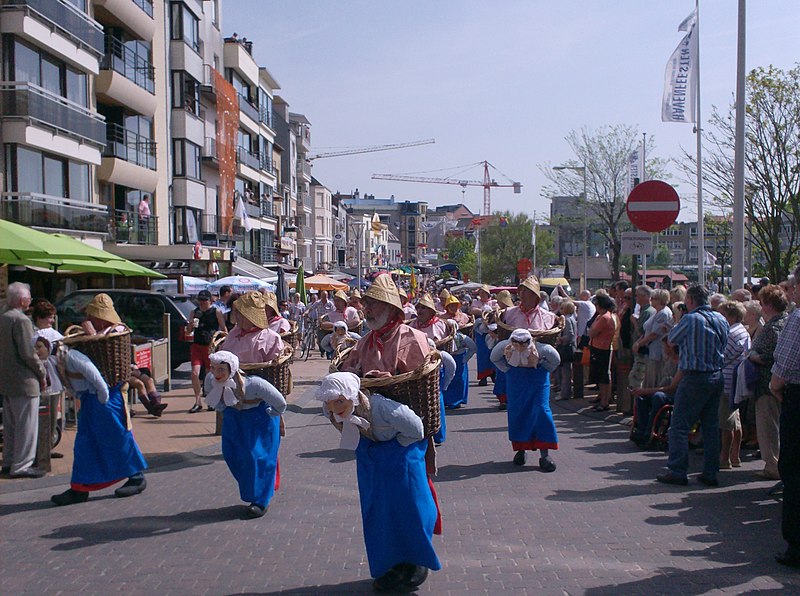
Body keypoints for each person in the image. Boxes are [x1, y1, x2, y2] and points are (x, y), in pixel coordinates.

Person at [316, 372, 440, 591]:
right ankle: (392, 562)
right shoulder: (331, 410)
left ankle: (417, 561)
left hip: (402, 454)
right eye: (330, 402)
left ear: (352, 396)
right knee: (379, 511)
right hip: (372, 458)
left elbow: (416, 429)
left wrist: (393, 449)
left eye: (339, 401)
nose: (335, 407)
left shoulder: (381, 407)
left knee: (410, 507)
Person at [51, 293, 148, 505]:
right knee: (85, 440)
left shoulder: (117, 331)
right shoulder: (98, 331)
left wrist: (91, 331)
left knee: (117, 435)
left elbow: (101, 342)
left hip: (109, 394)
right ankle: (80, 486)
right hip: (90, 395)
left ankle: (136, 475)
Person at [657, 284, 729, 487]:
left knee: (679, 426)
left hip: (695, 377)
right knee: (711, 426)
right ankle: (710, 472)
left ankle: (677, 471)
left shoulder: (690, 319)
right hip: (716, 375)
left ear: (690, 300)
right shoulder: (720, 318)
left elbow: (672, 339)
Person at [206, 350, 286, 518]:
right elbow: (212, 398)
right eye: (213, 368)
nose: (216, 373)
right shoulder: (211, 381)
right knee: (232, 454)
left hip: (259, 419)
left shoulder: (254, 385)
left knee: (258, 457)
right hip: (233, 418)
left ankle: (261, 500)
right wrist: (225, 410)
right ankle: (256, 488)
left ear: (232, 369)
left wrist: (270, 414)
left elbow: (280, 403)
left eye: (221, 369)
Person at [491, 326, 561, 471]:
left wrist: (543, 369)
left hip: (538, 381)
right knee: (518, 412)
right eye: (517, 342)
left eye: (524, 342)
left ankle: (544, 454)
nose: (520, 346)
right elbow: (494, 358)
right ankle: (521, 450)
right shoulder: (504, 346)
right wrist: (507, 370)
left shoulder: (542, 349)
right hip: (516, 381)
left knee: (541, 411)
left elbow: (556, 360)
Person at [770, 265, 800, 568]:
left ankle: (796, 544)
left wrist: (777, 388)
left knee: (793, 471)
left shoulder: (798, 319)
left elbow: (785, 363)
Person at [0, 282, 46, 478]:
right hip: (24, 380)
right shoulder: (22, 321)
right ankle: (22, 465)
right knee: (26, 426)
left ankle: (9, 461)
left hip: (6, 379)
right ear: (23, 300)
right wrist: (42, 372)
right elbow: (28, 353)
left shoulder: (3, 317)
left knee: (10, 426)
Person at [749, 284, 790, 480]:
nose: (760, 306)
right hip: (774, 382)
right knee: (774, 424)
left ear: (769, 305)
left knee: (768, 425)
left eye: (762, 303)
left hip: (768, 383)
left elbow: (771, 356)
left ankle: (772, 465)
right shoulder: (785, 322)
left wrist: (753, 357)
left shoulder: (774, 326)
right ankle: (774, 463)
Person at [717, 301, 751, 470]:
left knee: (726, 421)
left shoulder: (731, 333)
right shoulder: (742, 330)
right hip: (735, 380)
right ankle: (735, 456)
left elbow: (722, 357)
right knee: (735, 420)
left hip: (728, 381)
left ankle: (724, 458)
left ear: (730, 315)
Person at [187, 289, 226, 413]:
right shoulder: (194, 312)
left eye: (204, 300)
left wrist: (222, 342)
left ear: (210, 301)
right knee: (194, 373)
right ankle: (197, 401)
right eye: (200, 300)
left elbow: (224, 330)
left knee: (210, 375)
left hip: (209, 346)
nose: (202, 303)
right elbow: (188, 331)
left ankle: (211, 401)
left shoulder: (216, 312)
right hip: (197, 345)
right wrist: (191, 326)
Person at [220, 292, 284, 365]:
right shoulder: (234, 332)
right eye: (236, 312)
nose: (236, 316)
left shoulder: (271, 338)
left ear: (250, 317)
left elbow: (274, 367)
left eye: (240, 313)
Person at [633, 289, 674, 389]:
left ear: (660, 300)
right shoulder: (657, 312)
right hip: (651, 351)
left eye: (653, 298)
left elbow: (654, 334)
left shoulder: (663, 313)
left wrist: (640, 344)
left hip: (657, 350)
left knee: (655, 378)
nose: (651, 300)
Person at [587, 294, 617, 412]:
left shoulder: (605, 317)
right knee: (600, 375)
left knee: (604, 376)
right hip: (597, 347)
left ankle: (605, 401)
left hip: (602, 348)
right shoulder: (601, 316)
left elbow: (593, 332)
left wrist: (592, 331)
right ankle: (602, 398)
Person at [442, 319, 476, 410]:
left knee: (459, 380)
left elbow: (473, 347)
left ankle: (457, 400)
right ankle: (446, 399)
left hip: (459, 359)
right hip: (447, 360)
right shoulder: (443, 338)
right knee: (447, 379)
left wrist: (465, 359)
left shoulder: (462, 337)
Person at [556, 300, 578, 401]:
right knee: (567, 371)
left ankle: (565, 393)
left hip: (567, 347)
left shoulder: (567, 319)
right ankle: (566, 392)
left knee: (565, 372)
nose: (560, 310)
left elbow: (570, 335)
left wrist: (560, 339)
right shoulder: (572, 318)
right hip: (570, 346)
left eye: (562, 308)